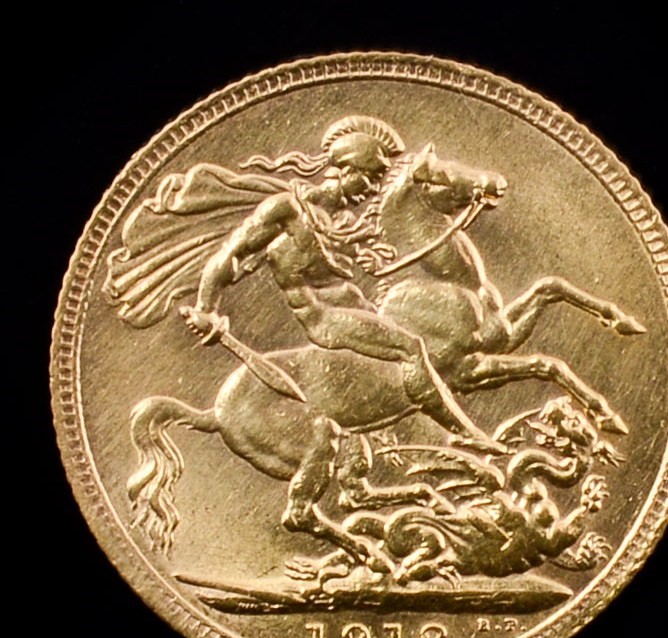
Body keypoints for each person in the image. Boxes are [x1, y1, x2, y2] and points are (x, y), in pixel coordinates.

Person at [180, 116, 494, 448]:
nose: (372, 189)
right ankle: (465, 435)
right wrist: (206, 307)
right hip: (324, 317)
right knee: (411, 348)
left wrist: (370, 257)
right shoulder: (285, 211)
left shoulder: (340, 220)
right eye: (370, 177)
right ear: (346, 170)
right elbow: (229, 255)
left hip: (355, 307)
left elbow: (350, 262)